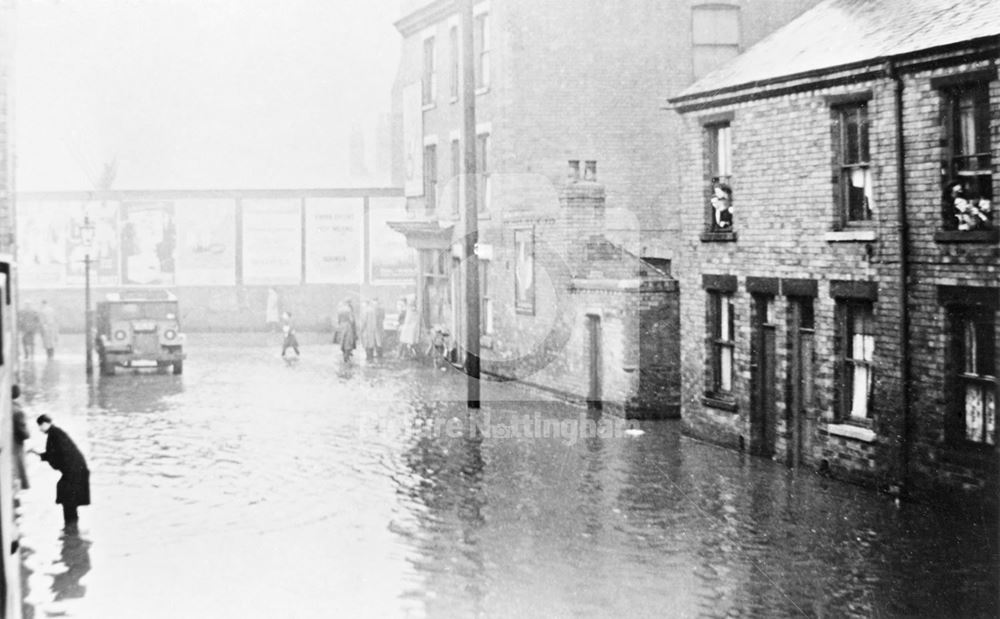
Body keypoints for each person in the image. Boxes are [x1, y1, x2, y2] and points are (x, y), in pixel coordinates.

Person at [30, 415, 90, 529]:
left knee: (67, 497)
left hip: (73, 471)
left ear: (45, 424)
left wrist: (39, 455)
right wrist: (38, 454)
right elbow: (55, 455)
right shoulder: (56, 433)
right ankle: (72, 530)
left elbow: (54, 456)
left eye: (40, 426)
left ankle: (70, 528)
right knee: (68, 498)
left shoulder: (54, 435)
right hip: (76, 469)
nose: (40, 429)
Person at [12, 386, 29, 491]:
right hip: (16, 445)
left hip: (11, 443)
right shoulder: (18, 411)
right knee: (18, 470)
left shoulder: (7, 406)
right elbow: (25, 434)